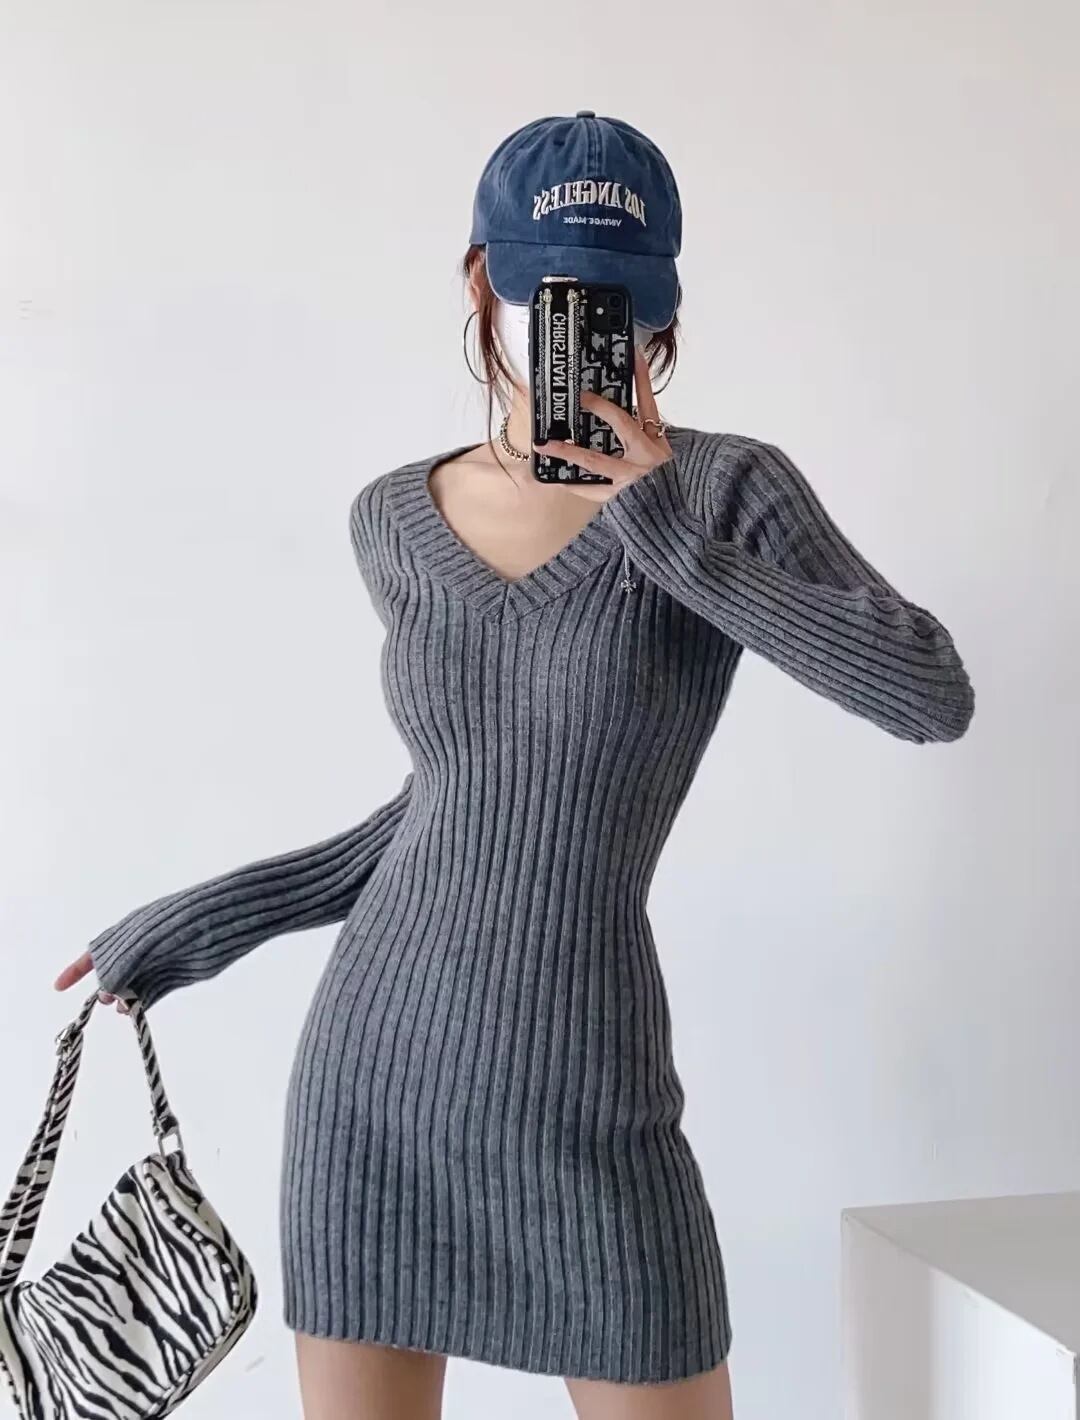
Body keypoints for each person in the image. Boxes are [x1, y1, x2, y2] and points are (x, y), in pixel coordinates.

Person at [56, 111, 974, 1420]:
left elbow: (929, 693)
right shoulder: (393, 515)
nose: (585, 324)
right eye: (554, 291)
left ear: (662, 303)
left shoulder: (727, 490)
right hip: (374, 1096)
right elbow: (459, 802)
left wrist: (665, 530)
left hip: (591, 1093)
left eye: (616, 297)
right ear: (485, 280)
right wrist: (207, 921)